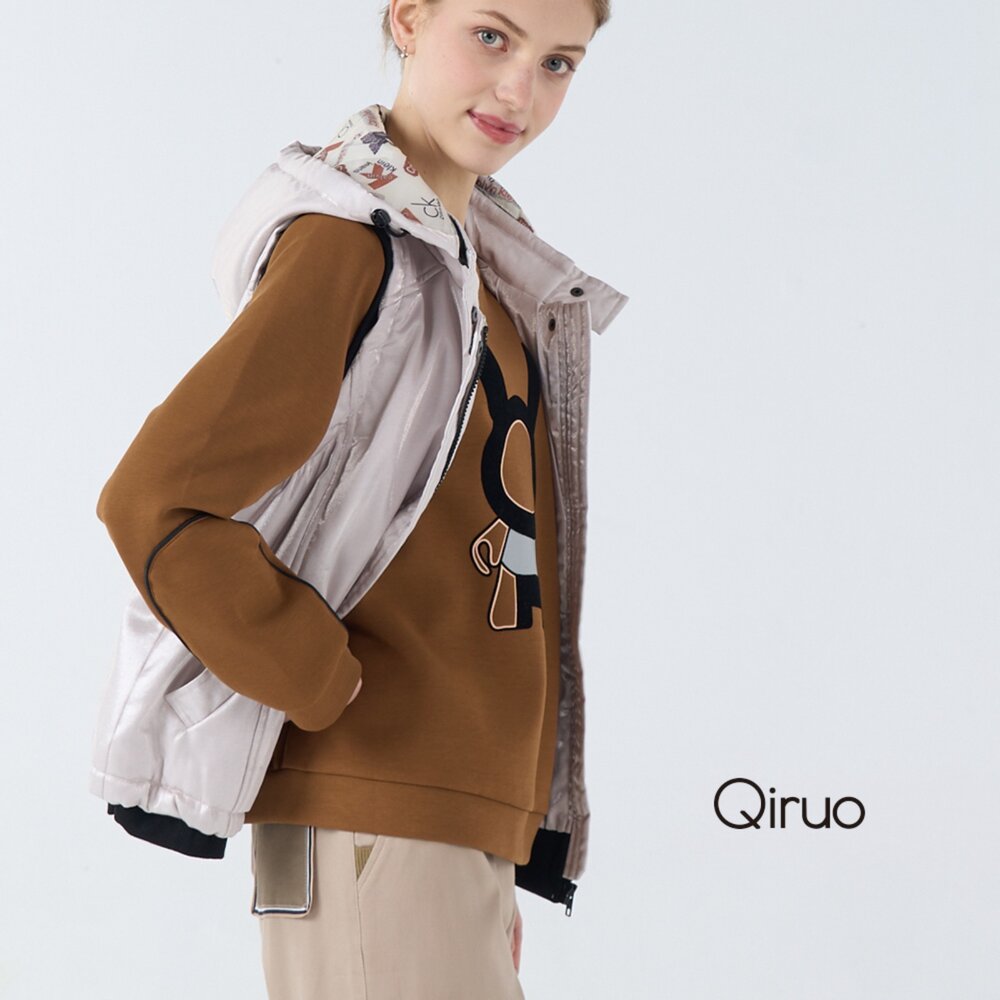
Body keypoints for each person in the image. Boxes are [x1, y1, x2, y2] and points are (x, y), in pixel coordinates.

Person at [90, 0, 627, 996]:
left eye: (559, 62)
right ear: (409, 20)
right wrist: (316, 678)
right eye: (493, 36)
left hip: (445, 812)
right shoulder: (352, 245)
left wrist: (489, 829)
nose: (520, 88)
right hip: (376, 803)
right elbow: (157, 500)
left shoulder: (481, 271)